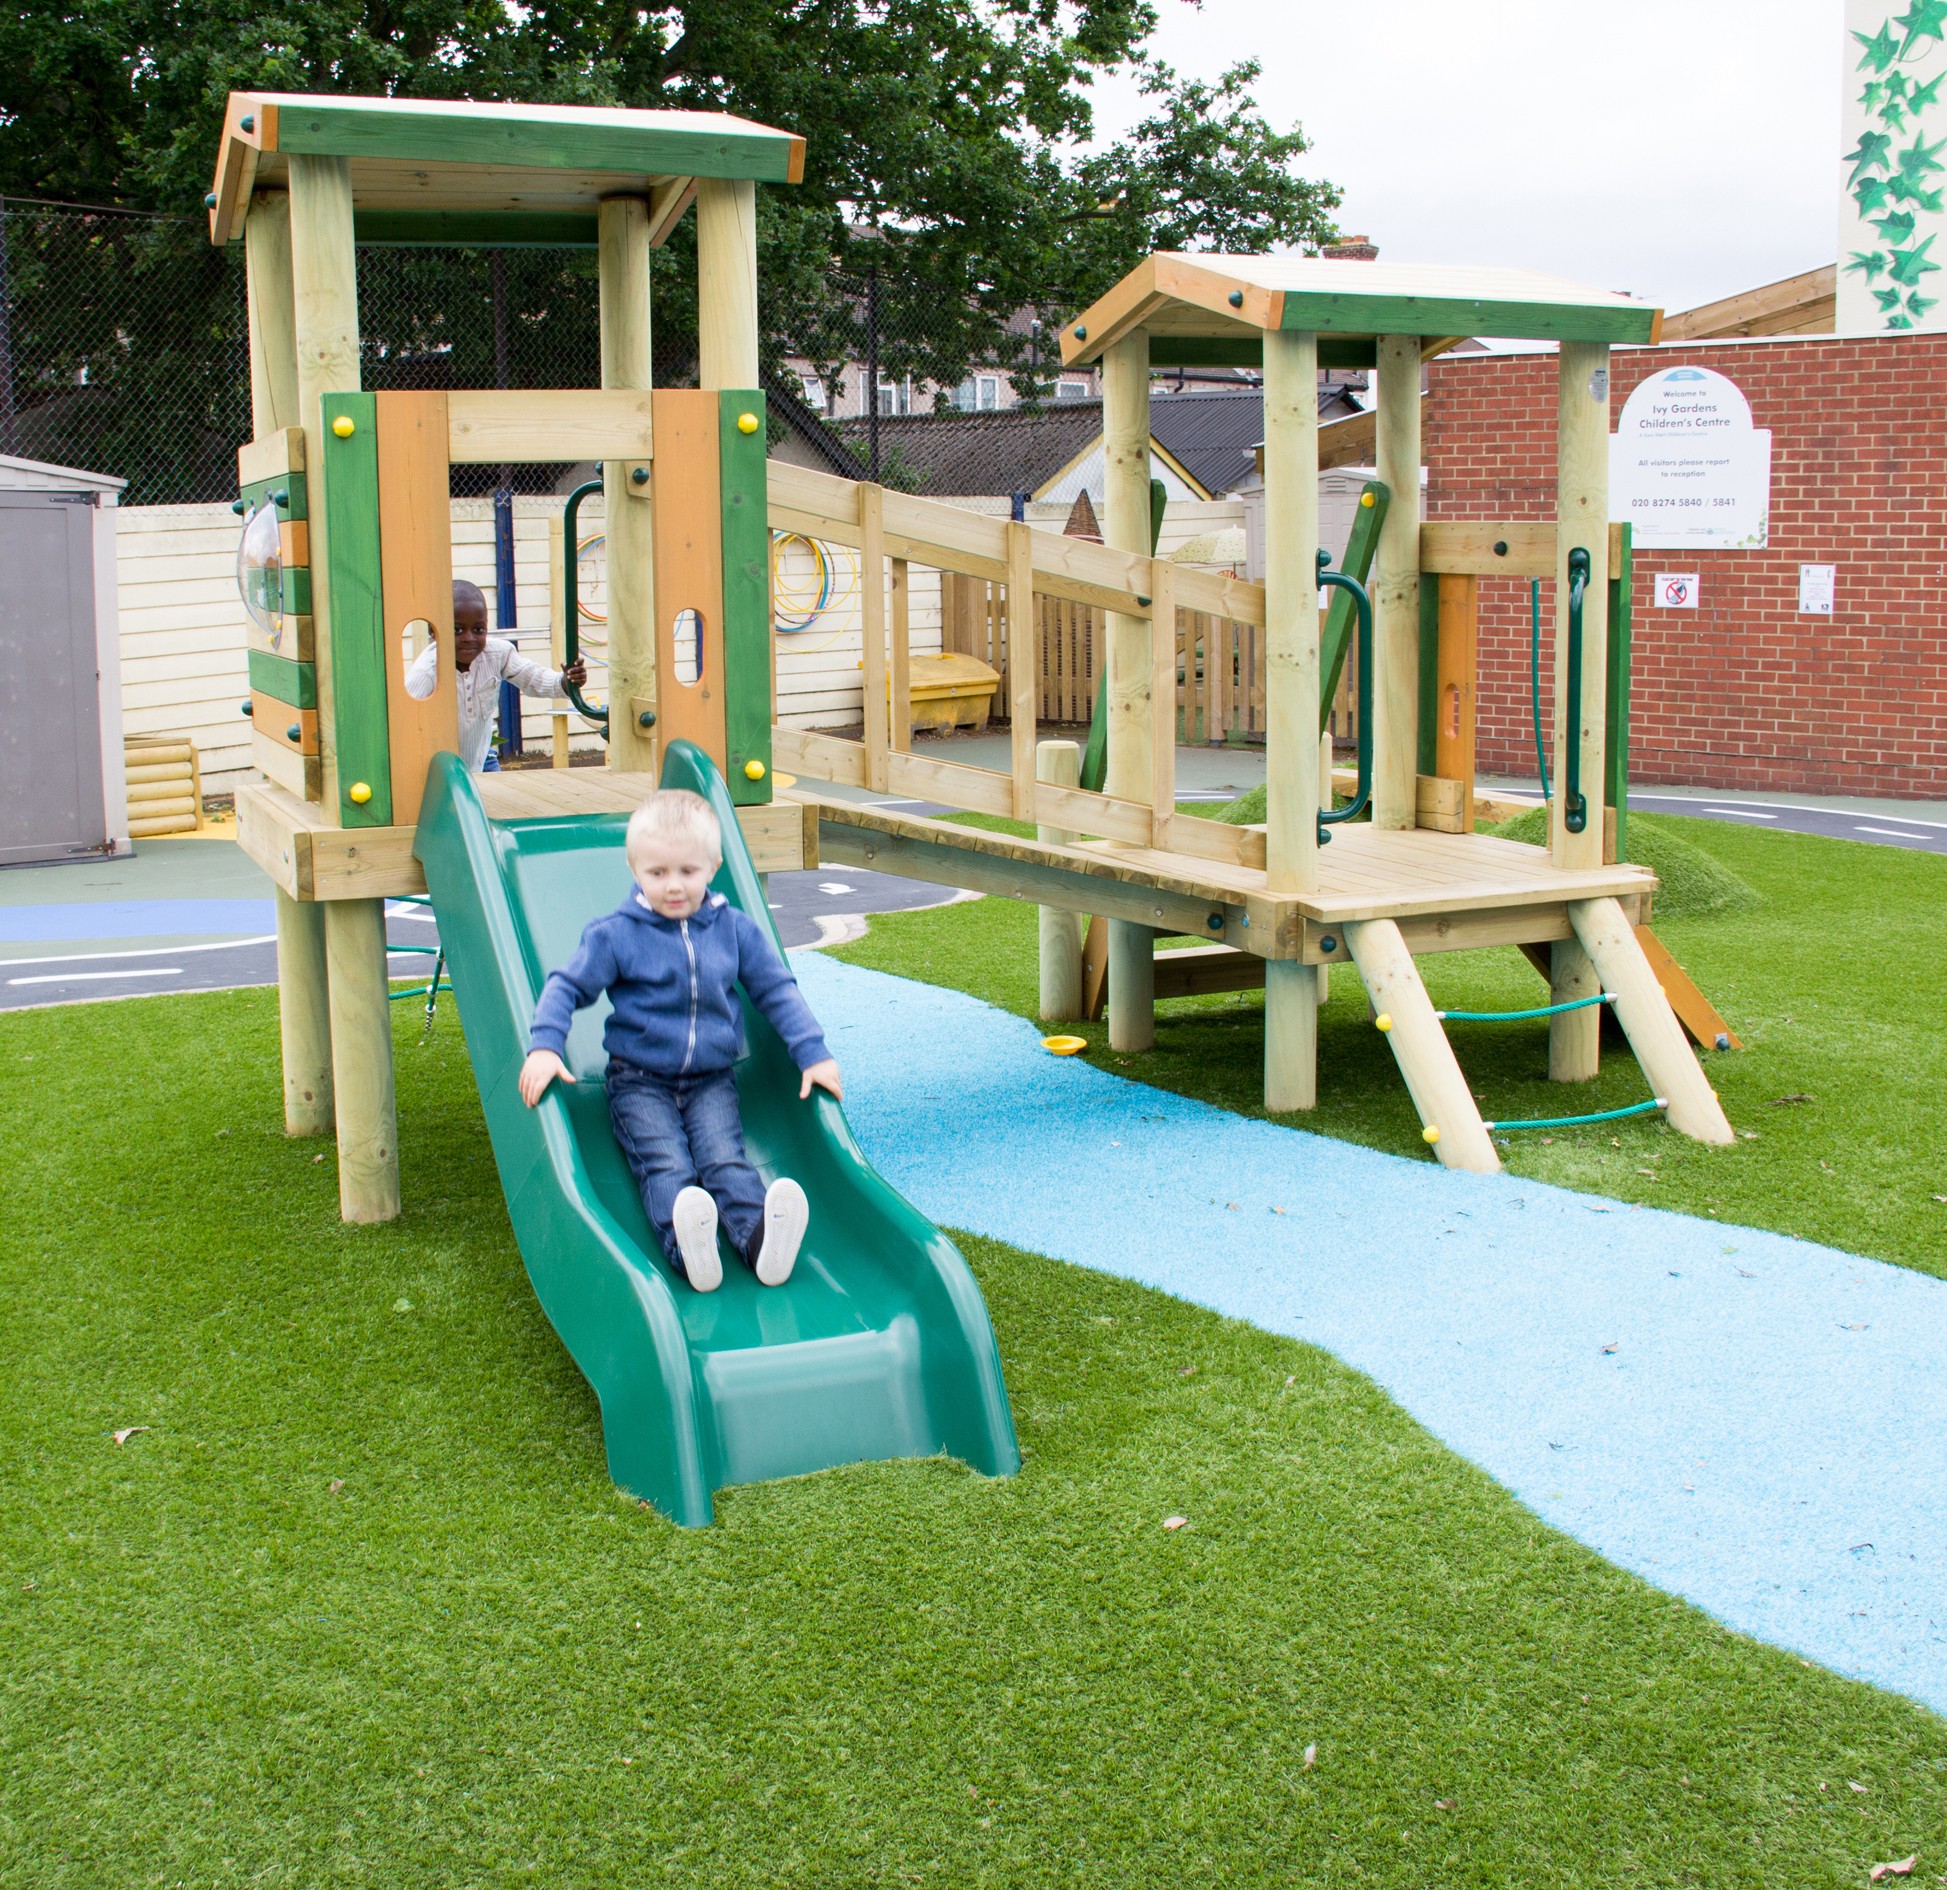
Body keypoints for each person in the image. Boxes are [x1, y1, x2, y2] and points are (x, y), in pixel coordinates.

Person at [517, 788, 843, 1293]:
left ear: (713, 866)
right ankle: (689, 1249)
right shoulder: (615, 933)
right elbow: (567, 986)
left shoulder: (733, 930)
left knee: (723, 1159)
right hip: (638, 1081)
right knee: (667, 1161)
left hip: (712, 1079)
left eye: (687, 872)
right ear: (634, 868)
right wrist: (544, 1045)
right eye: (657, 873)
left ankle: (758, 1240)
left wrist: (813, 1052)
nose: (673, 886)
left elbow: (776, 989)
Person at [404, 578, 588, 773]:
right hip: (441, 771)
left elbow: (533, 678)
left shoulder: (498, 654)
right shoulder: (426, 673)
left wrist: (564, 682)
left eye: (478, 629)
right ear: (434, 631)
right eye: (457, 630)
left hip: (483, 759)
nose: (469, 638)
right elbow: (405, 723)